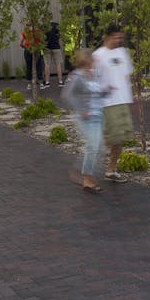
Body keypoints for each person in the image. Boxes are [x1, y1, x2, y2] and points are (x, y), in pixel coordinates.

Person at [93, 24, 136, 181]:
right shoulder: (98, 56)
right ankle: (98, 165)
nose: (118, 40)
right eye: (116, 37)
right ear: (108, 37)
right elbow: (92, 80)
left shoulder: (123, 52)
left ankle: (111, 170)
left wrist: (131, 98)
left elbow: (127, 76)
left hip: (123, 100)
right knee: (114, 138)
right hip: (108, 103)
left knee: (121, 138)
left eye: (120, 38)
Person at [61, 47, 106, 192]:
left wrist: (105, 92)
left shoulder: (93, 75)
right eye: (92, 58)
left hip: (97, 115)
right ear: (86, 60)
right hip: (86, 117)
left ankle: (84, 173)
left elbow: (95, 93)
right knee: (93, 146)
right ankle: (86, 177)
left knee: (96, 146)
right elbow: (67, 95)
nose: (94, 61)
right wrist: (81, 110)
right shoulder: (78, 76)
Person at [43, 22, 64, 88]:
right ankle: (60, 82)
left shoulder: (44, 26)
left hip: (47, 47)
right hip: (56, 47)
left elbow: (43, 37)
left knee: (47, 65)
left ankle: (47, 82)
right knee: (58, 64)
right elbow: (60, 35)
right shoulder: (57, 25)